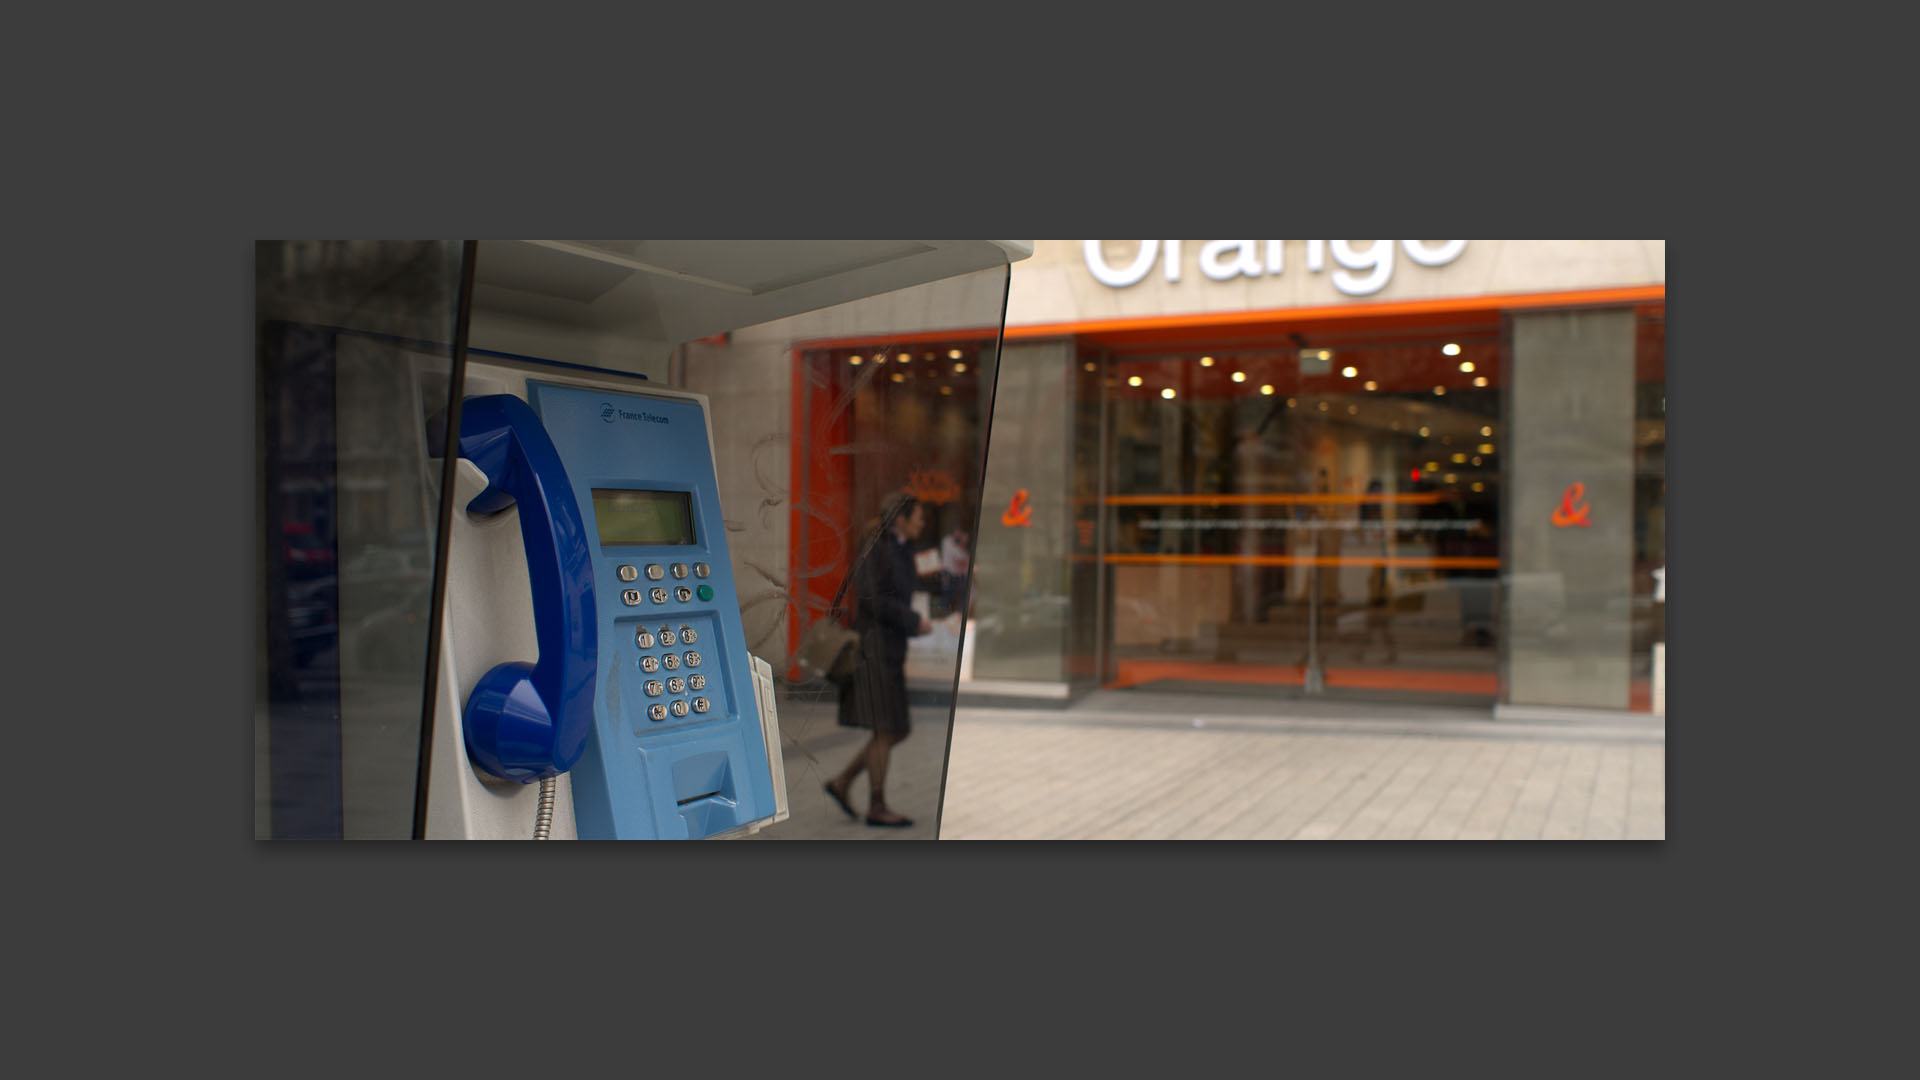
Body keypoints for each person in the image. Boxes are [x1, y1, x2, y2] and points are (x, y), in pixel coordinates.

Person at [826, 493, 933, 828]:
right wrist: (915, 621)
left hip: (890, 650)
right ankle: (877, 805)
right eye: (918, 516)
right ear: (900, 518)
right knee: (887, 729)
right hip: (874, 651)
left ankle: (843, 783)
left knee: (896, 729)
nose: (922, 521)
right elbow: (872, 599)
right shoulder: (879, 546)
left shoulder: (900, 547)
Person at [939, 523, 971, 615]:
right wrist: (961, 544)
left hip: (955, 574)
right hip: (947, 571)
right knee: (947, 592)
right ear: (955, 531)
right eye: (958, 532)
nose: (959, 534)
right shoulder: (947, 541)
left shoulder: (956, 545)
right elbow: (957, 556)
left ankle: (951, 613)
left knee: (953, 593)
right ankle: (944, 613)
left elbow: (964, 558)